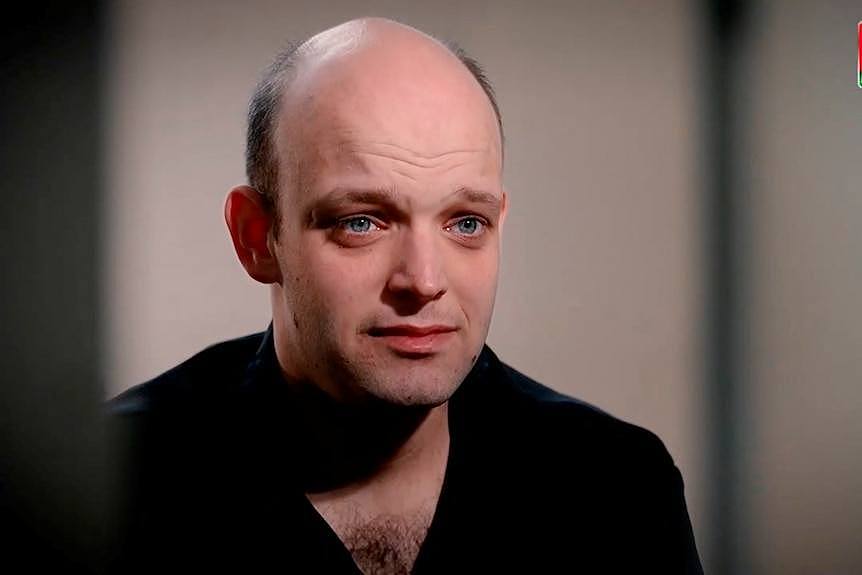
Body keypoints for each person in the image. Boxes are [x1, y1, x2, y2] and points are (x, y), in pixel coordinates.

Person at [110, 17, 703, 574]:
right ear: (257, 238)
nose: (423, 281)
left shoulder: (616, 487)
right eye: (362, 221)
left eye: (466, 222)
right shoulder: (108, 486)